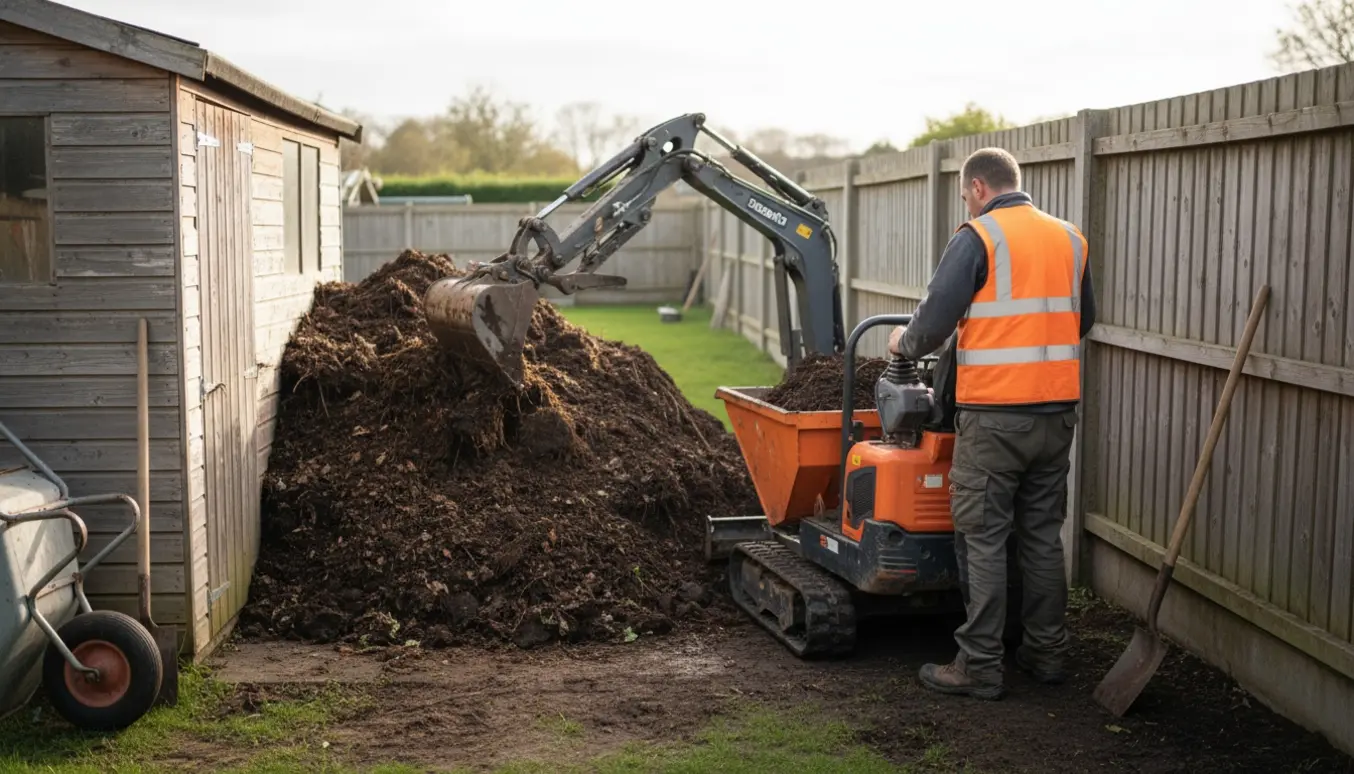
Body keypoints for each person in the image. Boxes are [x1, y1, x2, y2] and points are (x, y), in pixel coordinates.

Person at [887, 147, 1096, 700]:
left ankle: (979, 665)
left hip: (995, 418)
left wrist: (902, 342)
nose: (968, 203)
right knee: (1041, 537)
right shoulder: (1070, 238)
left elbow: (932, 321)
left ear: (978, 187)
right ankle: (1046, 654)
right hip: (1056, 416)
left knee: (982, 537)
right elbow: (1085, 319)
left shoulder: (979, 237)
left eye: (964, 195)